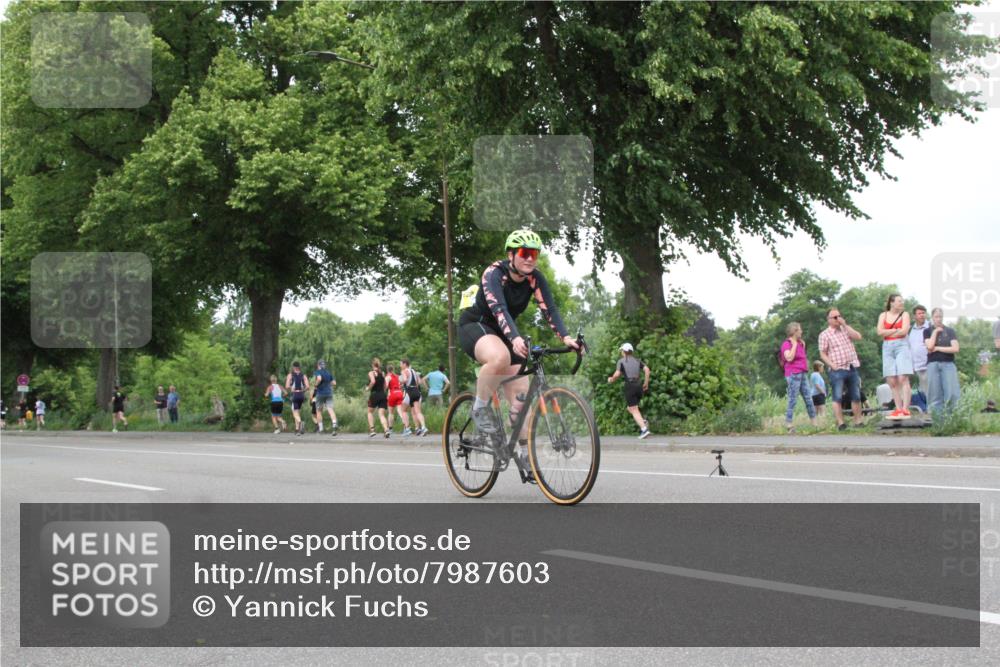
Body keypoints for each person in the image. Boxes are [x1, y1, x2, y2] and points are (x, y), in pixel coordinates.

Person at [457, 229, 578, 478]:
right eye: (524, 253)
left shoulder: (535, 278)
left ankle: (525, 459)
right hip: (476, 325)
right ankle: (479, 408)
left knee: (521, 404)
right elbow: (499, 310)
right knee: (499, 356)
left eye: (534, 254)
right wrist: (514, 339)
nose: (530, 259)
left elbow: (550, 310)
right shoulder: (493, 274)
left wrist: (566, 337)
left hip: (504, 332)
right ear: (511, 254)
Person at [818, 307, 864, 431]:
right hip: (837, 368)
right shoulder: (825, 335)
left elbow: (858, 336)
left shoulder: (845, 329)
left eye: (839, 316)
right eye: (835, 317)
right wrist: (832, 365)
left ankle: (858, 421)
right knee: (837, 396)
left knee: (856, 395)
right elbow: (822, 353)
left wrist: (845, 324)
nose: (838, 319)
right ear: (828, 320)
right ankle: (840, 423)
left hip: (851, 366)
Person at [876, 294, 913, 420]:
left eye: (902, 301)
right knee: (891, 379)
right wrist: (895, 330)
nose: (902, 303)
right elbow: (879, 332)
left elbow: (904, 331)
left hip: (901, 345)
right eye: (899, 301)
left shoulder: (905, 315)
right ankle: (898, 408)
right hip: (887, 346)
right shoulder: (883, 315)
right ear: (892, 303)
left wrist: (890, 331)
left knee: (903, 377)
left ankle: (905, 408)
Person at [607, 342, 651, 439]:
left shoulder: (621, 361)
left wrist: (611, 379)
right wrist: (646, 383)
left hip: (630, 386)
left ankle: (644, 430)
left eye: (622, 350)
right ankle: (642, 421)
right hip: (639, 386)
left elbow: (617, 374)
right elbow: (647, 370)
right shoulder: (637, 360)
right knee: (631, 408)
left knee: (633, 409)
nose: (621, 352)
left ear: (624, 351)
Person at [780, 322, 818, 433]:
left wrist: (799, 344)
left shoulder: (801, 343)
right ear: (794, 331)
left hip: (802, 373)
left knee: (808, 398)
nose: (801, 331)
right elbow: (789, 358)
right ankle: (789, 424)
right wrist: (795, 344)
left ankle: (815, 424)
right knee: (793, 399)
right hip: (793, 374)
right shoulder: (786, 344)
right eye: (800, 329)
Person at [924, 307, 961, 416]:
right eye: (936, 317)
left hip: (948, 363)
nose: (939, 319)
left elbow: (955, 349)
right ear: (932, 318)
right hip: (932, 364)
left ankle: (953, 418)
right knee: (934, 393)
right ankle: (937, 420)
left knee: (952, 392)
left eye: (940, 317)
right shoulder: (927, 331)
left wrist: (938, 348)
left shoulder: (950, 331)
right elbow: (930, 346)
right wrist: (935, 331)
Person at [400, 359, 429, 436]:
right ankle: (423, 427)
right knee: (418, 412)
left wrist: (400, 382)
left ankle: (407, 429)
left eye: (401, 364)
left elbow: (405, 380)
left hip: (409, 391)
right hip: (416, 391)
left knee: (403, 410)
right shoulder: (414, 371)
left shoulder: (404, 371)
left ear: (405, 364)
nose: (400, 366)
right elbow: (418, 382)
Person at [908, 305, 930, 394]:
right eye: (919, 313)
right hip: (917, 366)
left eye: (923, 313)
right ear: (914, 316)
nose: (922, 315)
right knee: (923, 390)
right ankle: (928, 407)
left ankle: (935, 407)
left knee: (932, 390)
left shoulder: (930, 326)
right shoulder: (911, 329)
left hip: (928, 364)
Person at [312, 360, 338, 435]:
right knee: (330, 409)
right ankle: (334, 424)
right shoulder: (328, 373)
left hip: (320, 393)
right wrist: (327, 384)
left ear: (318, 365)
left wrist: (316, 385)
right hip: (329, 393)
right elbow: (334, 383)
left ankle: (321, 429)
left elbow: (319, 378)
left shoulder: (317, 372)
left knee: (318, 411)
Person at [366, 358, 390, 438]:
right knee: (381, 414)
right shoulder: (382, 373)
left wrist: (368, 388)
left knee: (369, 412)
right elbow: (385, 386)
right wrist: (382, 391)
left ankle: (372, 430)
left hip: (374, 394)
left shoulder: (371, 372)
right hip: (383, 395)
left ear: (372, 365)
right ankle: (386, 430)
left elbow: (373, 382)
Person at [285, 361, 310, 436]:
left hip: (295, 395)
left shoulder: (290, 375)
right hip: (301, 395)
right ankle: (297, 430)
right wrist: (302, 390)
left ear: (293, 367)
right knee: (297, 411)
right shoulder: (304, 375)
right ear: (299, 367)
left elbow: (286, 386)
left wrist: (291, 388)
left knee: (294, 412)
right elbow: (308, 387)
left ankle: (300, 422)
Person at [385, 363, 406, 434]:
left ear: (387, 370)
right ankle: (406, 426)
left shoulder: (388, 376)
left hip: (392, 394)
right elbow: (402, 383)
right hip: (400, 393)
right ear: (393, 369)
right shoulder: (397, 376)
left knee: (391, 412)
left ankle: (390, 429)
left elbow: (386, 386)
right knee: (400, 411)